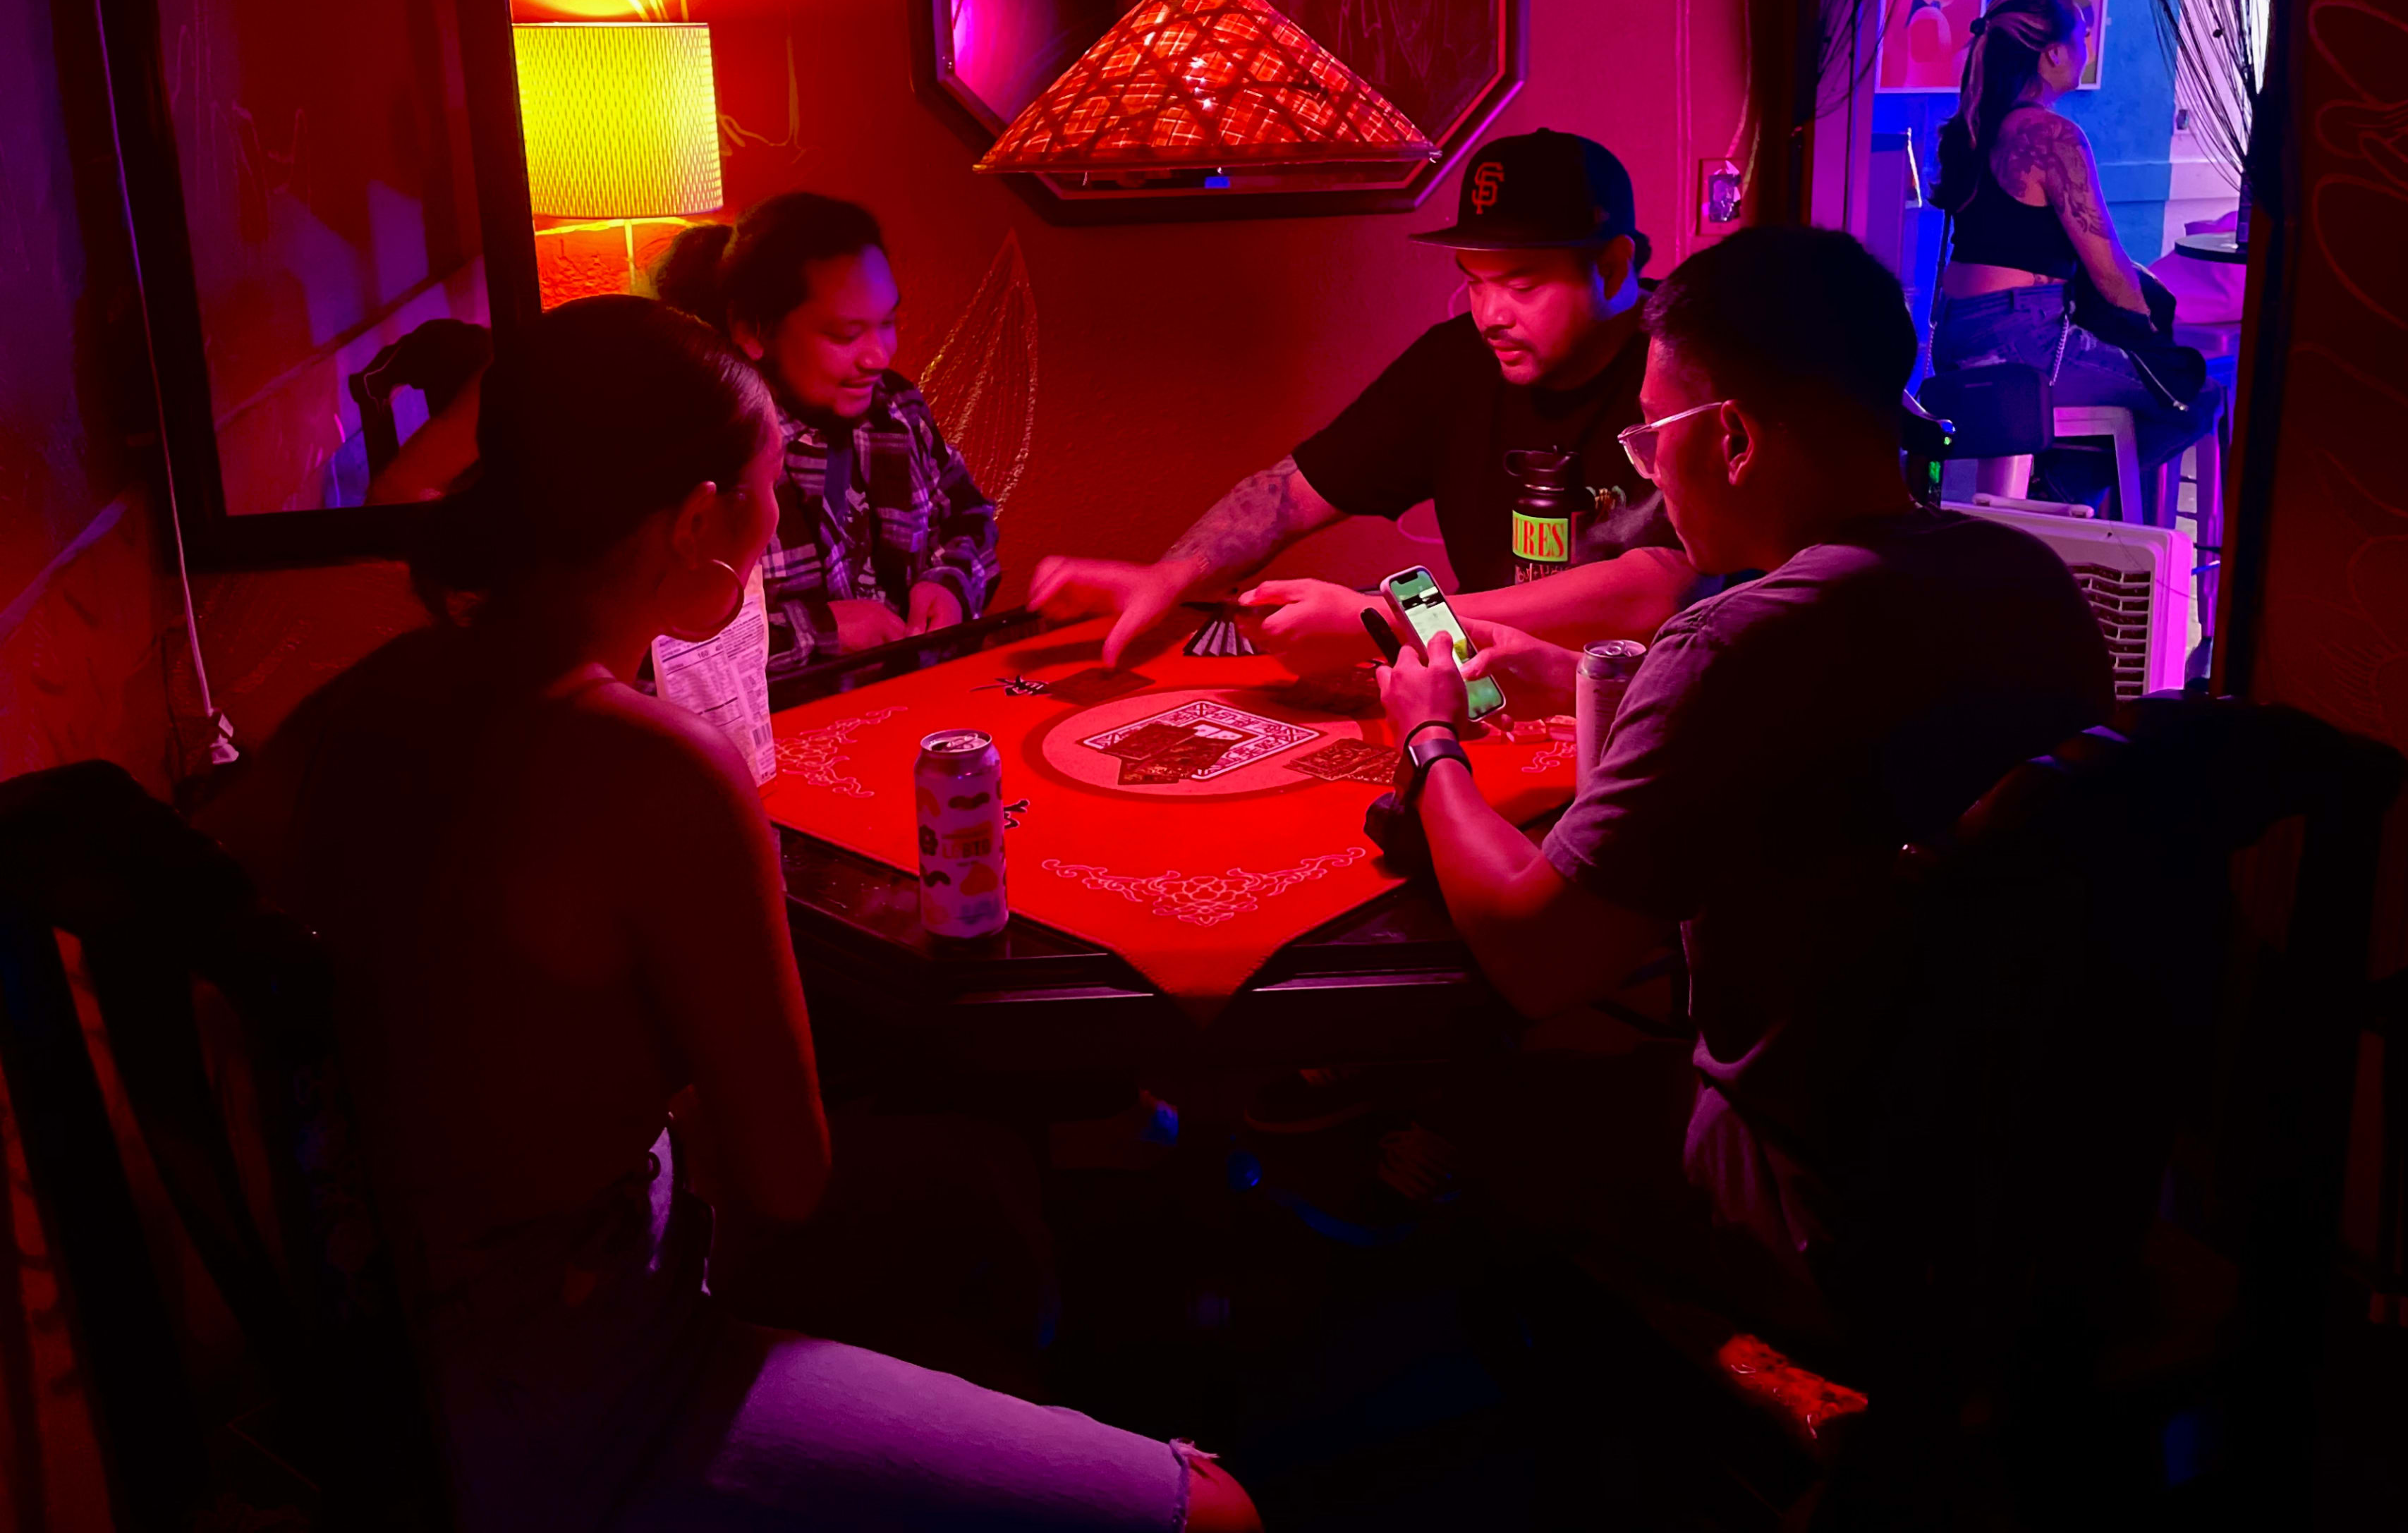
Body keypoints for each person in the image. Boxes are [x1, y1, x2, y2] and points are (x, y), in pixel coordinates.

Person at [209, 298, 1256, 1532]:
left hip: (372, 1368)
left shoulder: (349, 708)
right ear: (699, 520)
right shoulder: (655, 768)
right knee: (1216, 1507)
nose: (775, 532)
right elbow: (790, 1177)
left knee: (969, 1192)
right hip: (578, 1397)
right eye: (767, 497)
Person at [1373, 226, 2112, 1300]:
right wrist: (1596, 681)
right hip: (2041, 1180)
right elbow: (1837, 768)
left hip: (1819, 1214)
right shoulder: (2027, 581)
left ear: (1731, 440)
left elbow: (1537, 959)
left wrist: (1429, 736)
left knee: (1453, 1109)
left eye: (1646, 440)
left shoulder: (1736, 643)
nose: (1647, 474)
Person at [1030, 128, 1693, 672]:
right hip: (1488, 689)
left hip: (1650, 708)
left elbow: (1658, 588)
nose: (1489, 314)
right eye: (1474, 282)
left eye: (1521, 285)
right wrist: (1173, 575)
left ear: (1611, 267)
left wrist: (1389, 619)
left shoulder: (1686, 362)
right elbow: (1288, 495)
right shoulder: (1456, 358)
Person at [658, 193, 999, 672]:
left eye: (887, 323)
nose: (878, 357)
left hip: (918, 711)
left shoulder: (895, 411)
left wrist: (949, 582)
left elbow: (970, 519)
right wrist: (818, 632)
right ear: (752, 330)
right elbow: (658, 656)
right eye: (844, 335)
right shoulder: (705, 452)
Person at [1926, 0, 2219, 505]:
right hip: (2025, 341)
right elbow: (2108, 270)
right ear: (2054, 54)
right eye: (2083, 34)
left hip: (1954, 336)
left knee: (2157, 382)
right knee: (2197, 395)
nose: (2088, 47)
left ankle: (2040, 486)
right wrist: (2149, 332)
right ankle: (2052, 492)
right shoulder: (2050, 136)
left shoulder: (1972, 127)